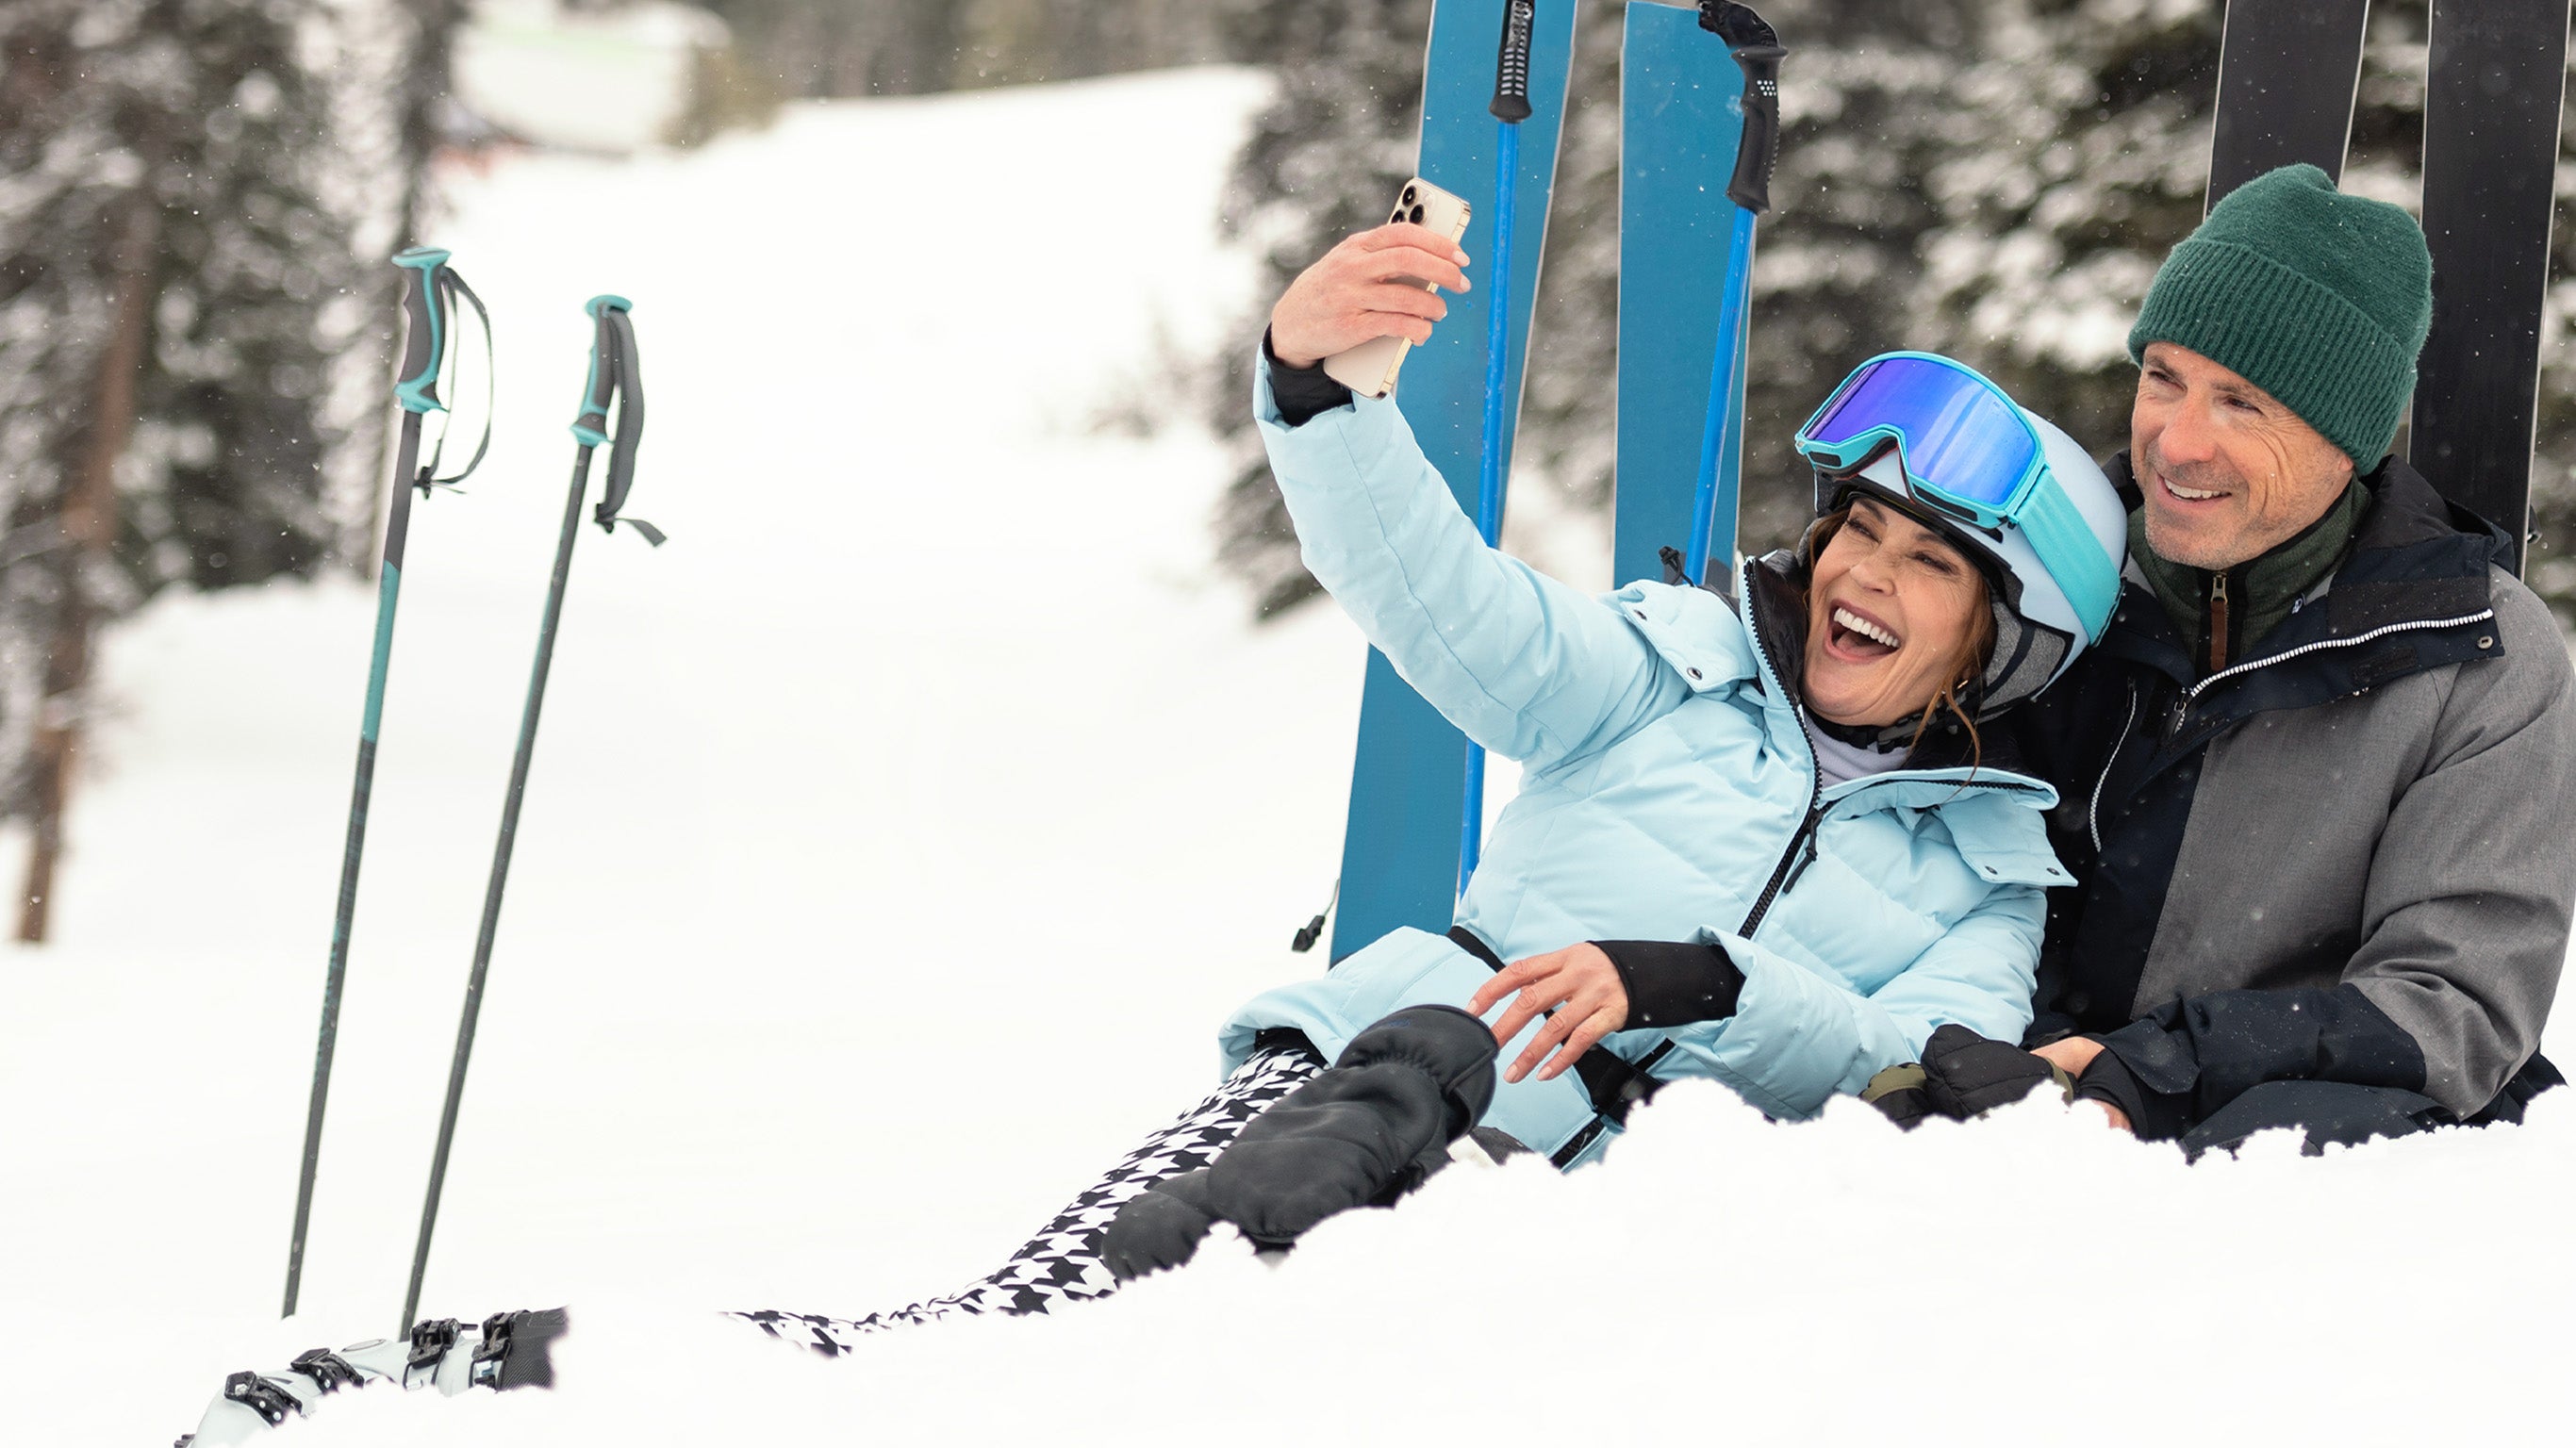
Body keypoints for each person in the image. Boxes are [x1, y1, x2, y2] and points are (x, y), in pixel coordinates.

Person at [1090, 223, 2134, 1276]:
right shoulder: (1671, 669)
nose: (1865, 576)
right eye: (1858, 531)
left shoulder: (1987, 877)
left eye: (1927, 565)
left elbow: (1918, 1071)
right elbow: (1450, 602)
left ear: (1996, 651)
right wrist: (1318, 394)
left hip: (1582, 1230)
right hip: (1374, 1063)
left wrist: (1699, 984)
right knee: (1083, 1307)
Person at [1891, 163, 2576, 1158]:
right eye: (2161, 377)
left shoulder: (2478, 657)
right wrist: (2018, 1055)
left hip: (2267, 1152)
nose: (2175, 442)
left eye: (2240, 403)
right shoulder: (2041, 579)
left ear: (2346, 440)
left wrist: (2155, 1070)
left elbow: (2454, 1008)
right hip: (1993, 1090)